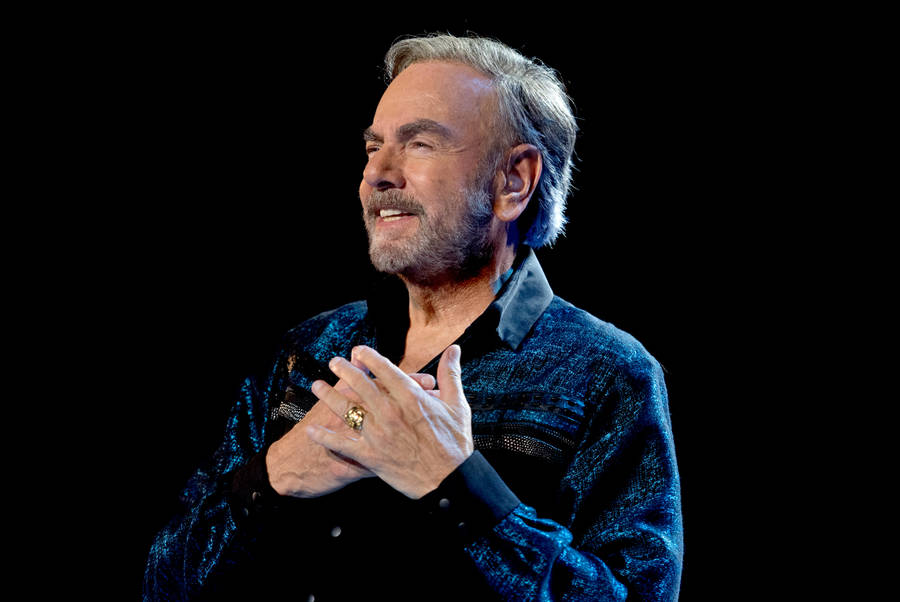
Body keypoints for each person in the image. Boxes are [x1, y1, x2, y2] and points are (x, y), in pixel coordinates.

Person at [144, 33, 683, 601]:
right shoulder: (308, 349)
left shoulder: (608, 375)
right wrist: (273, 475)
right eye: (372, 147)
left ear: (514, 181)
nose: (377, 174)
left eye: (420, 143)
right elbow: (164, 582)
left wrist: (458, 485)